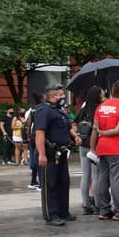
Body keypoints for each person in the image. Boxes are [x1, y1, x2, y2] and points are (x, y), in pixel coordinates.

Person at [33, 85, 81, 226]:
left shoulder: (59, 111)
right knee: (50, 184)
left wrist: (74, 136)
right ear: (52, 97)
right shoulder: (44, 111)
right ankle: (51, 214)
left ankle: (63, 211)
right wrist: (42, 154)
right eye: (60, 95)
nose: (63, 97)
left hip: (61, 152)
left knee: (63, 183)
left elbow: (67, 127)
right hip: (49, 153)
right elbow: (39, 133)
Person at [91, 80, 119, 221]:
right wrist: (104, 132)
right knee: (117, 180)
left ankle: (104, 210)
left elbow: (95, 129)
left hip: (102, 147)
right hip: (118, 147)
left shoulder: (101, 107)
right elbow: (118, 130)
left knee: (103, 178)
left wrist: (96, 141)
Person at [74, 86, 104, 215]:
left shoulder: (84, 109)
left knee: (85, 175)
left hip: (83, 144)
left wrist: (77, 136)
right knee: (96, 175)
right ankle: (98, 204)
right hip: (95, 145)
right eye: (102, 94)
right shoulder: (100, 109)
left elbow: (74, 123)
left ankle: (86, 204)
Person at [24, 92, 44, 190]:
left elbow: (28, 125)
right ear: (41, 99)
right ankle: (41, 183)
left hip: (32, 136)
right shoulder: (43, 109)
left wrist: (28, 137)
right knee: (40, 158)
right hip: (39, 136)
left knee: (34, 158)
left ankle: (33, 181)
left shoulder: (32, 110)